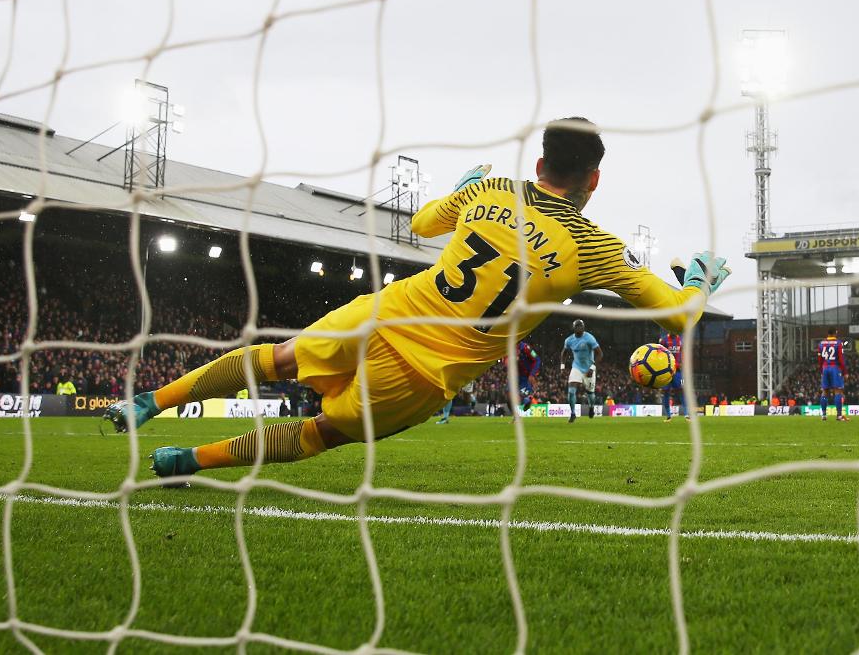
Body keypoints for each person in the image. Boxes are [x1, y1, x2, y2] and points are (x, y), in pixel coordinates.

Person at [104, 117, 732, 480]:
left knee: (277, 358)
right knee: (320, 432)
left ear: (540, 163)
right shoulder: (594, 245)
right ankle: (188, 459)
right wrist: (701, 280)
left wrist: (462, 190)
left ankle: (148, 401)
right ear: (594, 180)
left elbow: (424, 222)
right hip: (424, 370)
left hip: (391, 308)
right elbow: (679, 314)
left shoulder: (492, 191)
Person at [561, 319, 602, 422]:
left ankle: (591, 407)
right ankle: (573, 413)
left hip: (589, 368)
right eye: (577, 326)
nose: (579, 328)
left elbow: (600, 354)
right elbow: (564, 353)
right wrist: (562, 366)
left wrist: (592, 368)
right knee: (571, 391)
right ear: (574, 328)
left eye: (581, 326)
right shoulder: (569, 340)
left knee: (590, 394)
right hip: (576, 367)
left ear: (583, 327)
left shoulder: (589, 338)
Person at [818, 328, 847, 421]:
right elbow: (841, 359)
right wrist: (844, 372)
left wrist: (821, 371)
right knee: (838, 391)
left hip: (825, 368)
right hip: (835, 368)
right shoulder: (838, 343)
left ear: (828, 333)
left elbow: (820, 360)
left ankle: (823, 415)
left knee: (825, 391)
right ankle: (839, 415)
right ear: (835, 333)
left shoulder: (821, 344)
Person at [659, 330, 688, 421]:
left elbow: (683, 353)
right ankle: (668, 416)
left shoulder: (681, 340)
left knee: (682, 390)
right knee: (665, 392)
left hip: (678, 371)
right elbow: (659, 354)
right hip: (666, 371)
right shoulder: (664, 340)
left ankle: (687, 414)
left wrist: (683, 363)